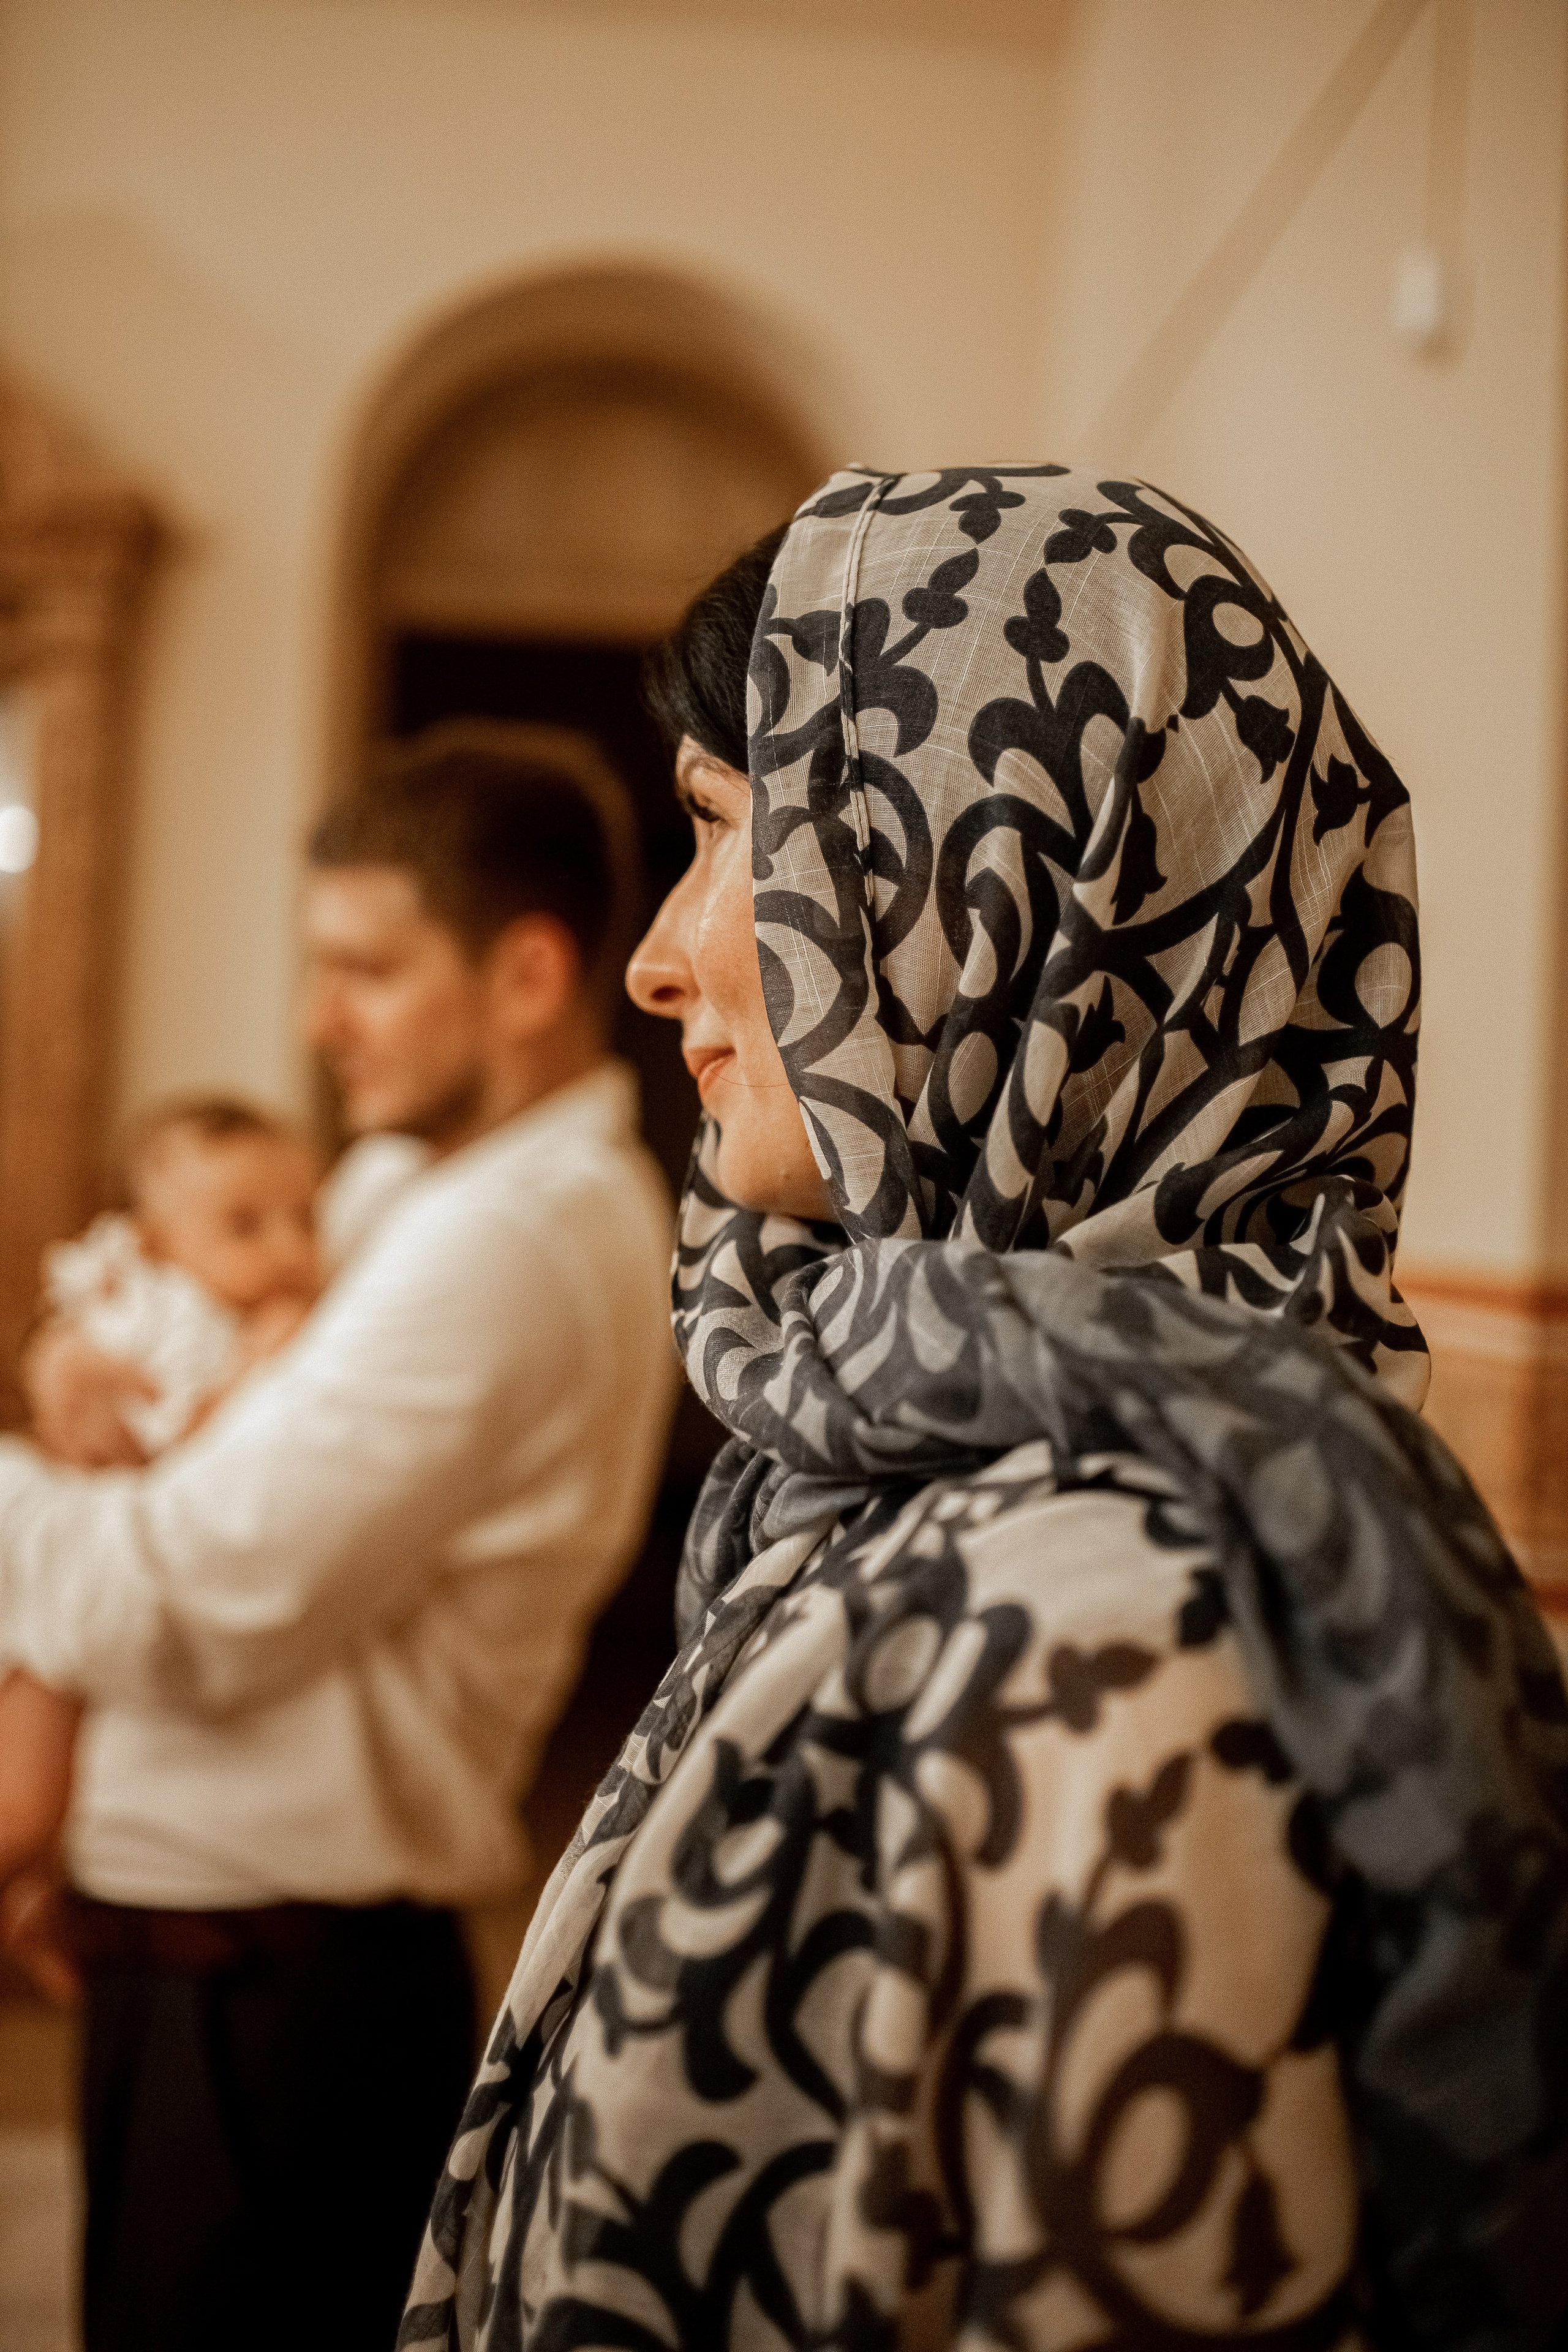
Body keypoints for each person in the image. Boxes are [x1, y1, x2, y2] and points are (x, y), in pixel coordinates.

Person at [404, 474, 1568, 2351]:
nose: (660, 957)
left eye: (725, 832)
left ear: (1006, 884)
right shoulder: (888, 1448)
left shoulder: (1115, 1630)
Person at [0, 720, 676, 2352]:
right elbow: (163, 1390)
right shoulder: (391, 1191)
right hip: (200, 1959)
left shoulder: (514, 1237)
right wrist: (65, 1379)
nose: (319, 1023)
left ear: (525, 975)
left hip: (289, 2005)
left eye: (365, 969)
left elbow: (181, 1592)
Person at [0, 1095, 322, 1978]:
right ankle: (29, 1893)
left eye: (305, 1217)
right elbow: (187, 1442)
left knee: (72, 1783)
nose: (291, 1250)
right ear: (153, 1241)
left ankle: (38, 1903)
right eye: (246, 1225)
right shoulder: (168, 1317)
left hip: (97, 1569)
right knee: (26, 1798)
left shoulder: (240, 1317)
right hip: (53, 1576)